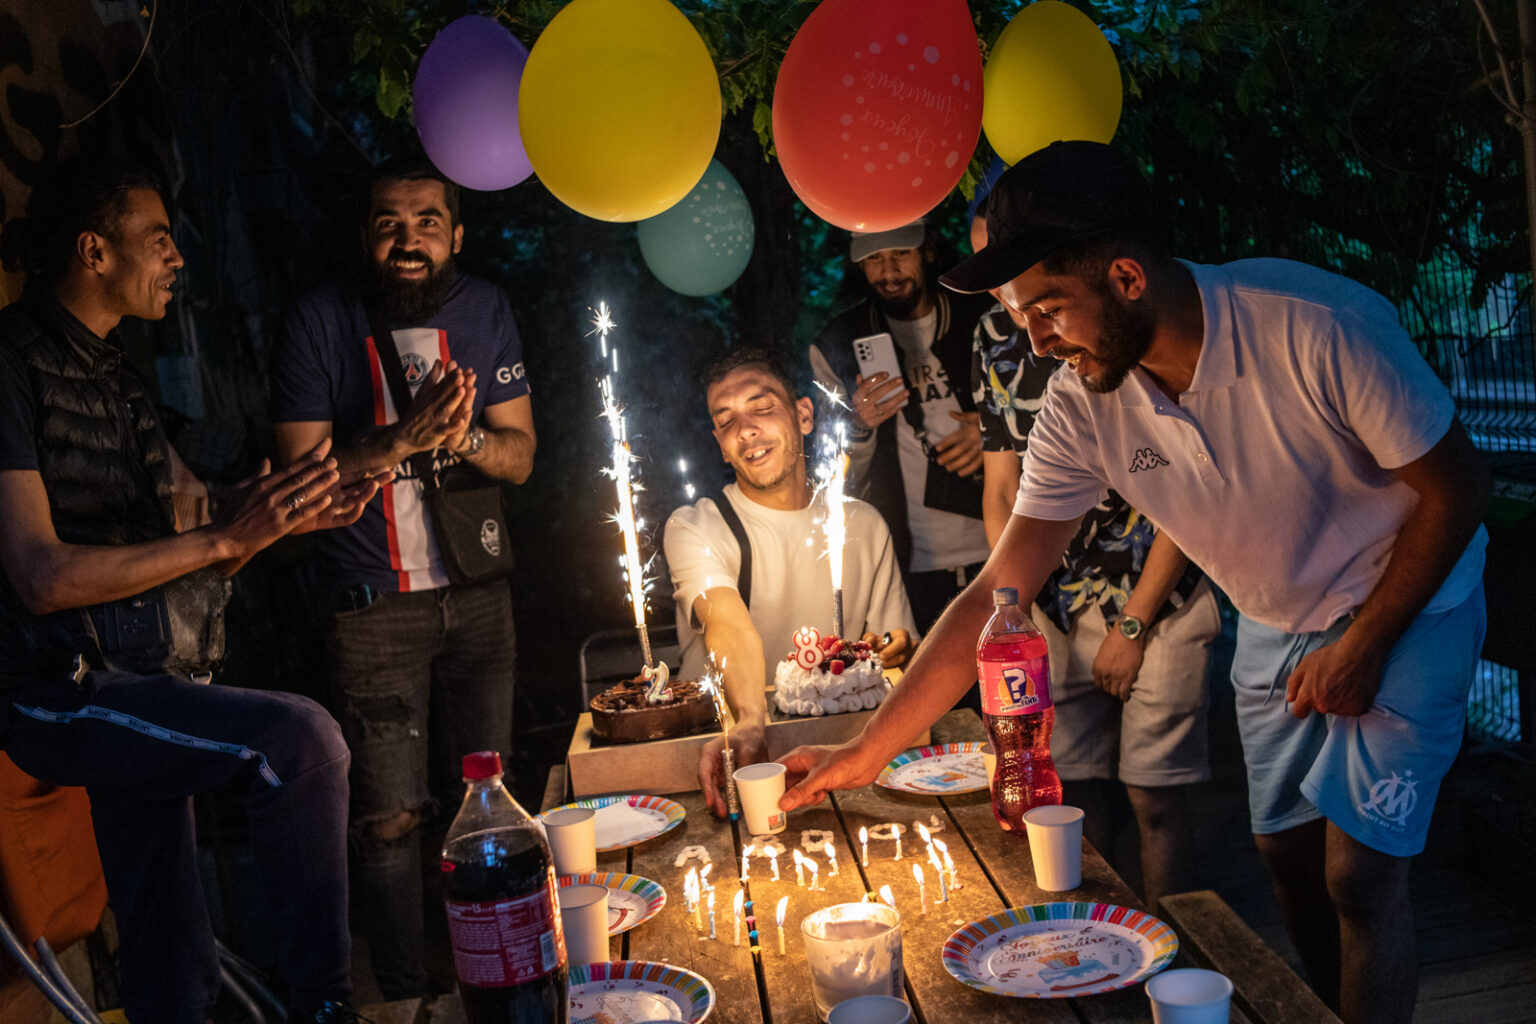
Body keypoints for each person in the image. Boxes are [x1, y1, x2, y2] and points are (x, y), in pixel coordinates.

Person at [780, 142, 1490, 1024]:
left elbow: (1459, 488)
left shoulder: (1315, 326)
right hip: (1275, 618)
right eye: (1019, 316)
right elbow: (1001, 587)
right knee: (1288, 861)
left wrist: (1368, 643)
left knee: (1360, 875)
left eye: (1047, 310)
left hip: (1408, 598)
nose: (1035, 342)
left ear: (1125, 278)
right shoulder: (1081, 404)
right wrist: (866, 751)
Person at [0, 159, 376, 1023]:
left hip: (133, 673)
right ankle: (325, 1011)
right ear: (95, 251)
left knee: (167, 959)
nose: (177, 258)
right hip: (55, 689)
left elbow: (187, 553)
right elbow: (41, 576)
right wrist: (226, 536)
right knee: (301, 742)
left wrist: (276, 522)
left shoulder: (117, 377)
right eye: (159, 238)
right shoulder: (10, 363)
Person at [271, 158, 535, 999]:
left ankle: (500, 972)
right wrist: (402, 440)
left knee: (487, 802)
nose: (408, 239)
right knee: (388, 822)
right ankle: (404, 999)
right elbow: (295, 479)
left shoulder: (485, 310)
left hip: (479, 594)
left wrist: (461, 439)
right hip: (372, 603)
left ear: (457, 234)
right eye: (389, 223)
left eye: (427, 222)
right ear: (365, 235)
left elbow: (520, 455)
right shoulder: (320, 319)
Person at [970, 209, 1219, 909]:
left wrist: (1134, 624)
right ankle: (1093, 942)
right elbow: (1002, 486)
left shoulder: (1121, 330)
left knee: (1155, 795)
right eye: (991, 280)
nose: (1006, 297)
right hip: (1054, 598)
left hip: (1160, 593)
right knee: (1069, 795)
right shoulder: (996, 337)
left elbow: (1189, 495)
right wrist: (1014, 616)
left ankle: (1177, 947)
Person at [662, 346, 917, 816]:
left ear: (804, 415)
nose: (745, 430)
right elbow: (728, 624)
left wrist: (889, 647)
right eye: (726, 421)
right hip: (726, 763)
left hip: (839, 764)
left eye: (761, 407)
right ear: (720, 444)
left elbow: (894, 648)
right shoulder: (697, 526)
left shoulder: (862, 525)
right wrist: (750, 722)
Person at [809, 221, 996, 631]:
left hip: (1001, 545)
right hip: (910, 564)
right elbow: (834, 479)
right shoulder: (838, 343)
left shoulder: (983, 315)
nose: (889, 271)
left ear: (927, 250)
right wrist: (859, 424)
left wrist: (992, 433)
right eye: (874, 259)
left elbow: (1047, 411)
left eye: (900, 254)